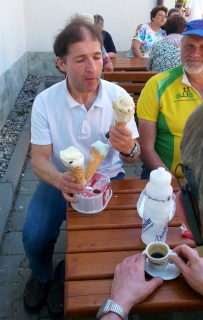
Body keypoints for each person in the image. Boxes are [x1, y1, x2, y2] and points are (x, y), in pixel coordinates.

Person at [22, 16, 140, 317]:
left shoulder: (119, 99)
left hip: (109, 179)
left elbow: (132, 156)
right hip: (61, 180)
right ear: (61, 63)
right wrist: (60, 180)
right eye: (81, 59)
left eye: (97, 57)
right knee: (33, 236)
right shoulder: (46, 102)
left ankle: (72, 277)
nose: (92, 68)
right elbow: (39, 159)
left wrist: (130, 147)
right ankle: (44, 277)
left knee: (111, 244)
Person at [97, 90, 203, 320]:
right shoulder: (158, 86)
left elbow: (134, 153)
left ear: (185, 209)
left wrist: (118, 306)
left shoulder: (116, 93)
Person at [137, 19, 203, 179]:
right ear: (181, 48)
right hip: (166, 177)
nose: (195, 53)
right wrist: (173, 185)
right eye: (189, 46)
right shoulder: (157, 85)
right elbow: (145, 147)